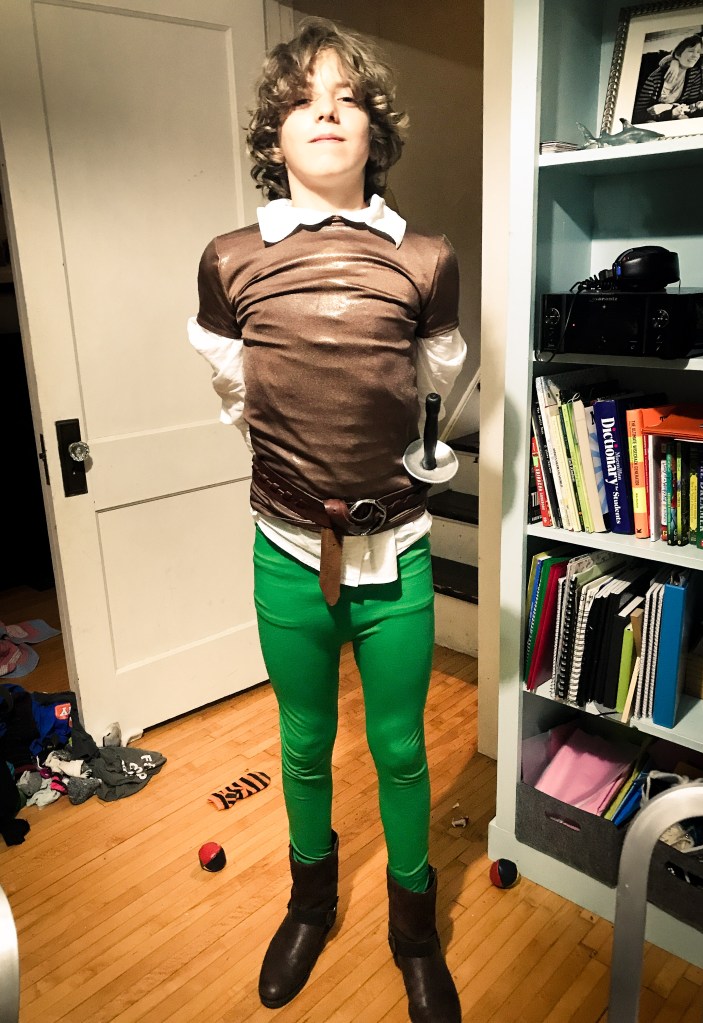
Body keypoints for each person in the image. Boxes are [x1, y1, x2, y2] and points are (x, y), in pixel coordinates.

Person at [188, 17, 466, 1022]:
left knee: (400, 749)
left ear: (375, 128)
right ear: (274, 132)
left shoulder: (426, 260)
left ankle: (413, 930)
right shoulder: (229, 262)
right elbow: (239, 398)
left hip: (400, 554)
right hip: (286, 551)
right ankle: (310, 904)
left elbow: (431, 394)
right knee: (304, 744)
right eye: (304, 98)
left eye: (347, 96)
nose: (327, 111)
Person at [632, 34, 703, 122]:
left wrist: (670, 109)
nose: (695, 56)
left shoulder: (694, 75)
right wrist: (669, 114)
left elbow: (689, 106)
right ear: (678, 55)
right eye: (691, 51)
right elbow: (638, 114)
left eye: (698, 52)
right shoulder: (655, 79)